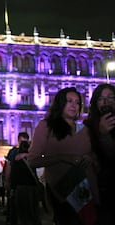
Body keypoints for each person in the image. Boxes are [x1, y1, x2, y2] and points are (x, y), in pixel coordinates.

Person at [27, 87, 99, 225]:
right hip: (62, 189)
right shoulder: (46, 126)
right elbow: (33, 160)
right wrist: (63, 157)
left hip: (86, 189)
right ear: (60, 104)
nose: (74, 105)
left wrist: (90, 159)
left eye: (77, 102)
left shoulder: (85, 130)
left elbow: (94, 155)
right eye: (69, 101)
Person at [83, 83, 115, 225]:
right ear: (95, 103)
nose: (106, 102)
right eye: (101, 99)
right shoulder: (87, 127)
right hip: (98, 191)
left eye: (110, 97)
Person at [9, 141, 42, 225]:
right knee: (33, 212)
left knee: (23, 213)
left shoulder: (16, 159)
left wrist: (12, 187)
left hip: (20, 188)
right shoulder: (32, 158)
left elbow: (13, 175)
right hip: (32, 187)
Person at [4, 132, 30, 225]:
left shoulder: (31, 151)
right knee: (15, 207)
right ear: (18, 141)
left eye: (25, 143)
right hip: (17, 184)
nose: (23, 145)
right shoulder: (13, 152)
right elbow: (8, 166)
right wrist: (7, 181)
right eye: (22, 142)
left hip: (29, 184)